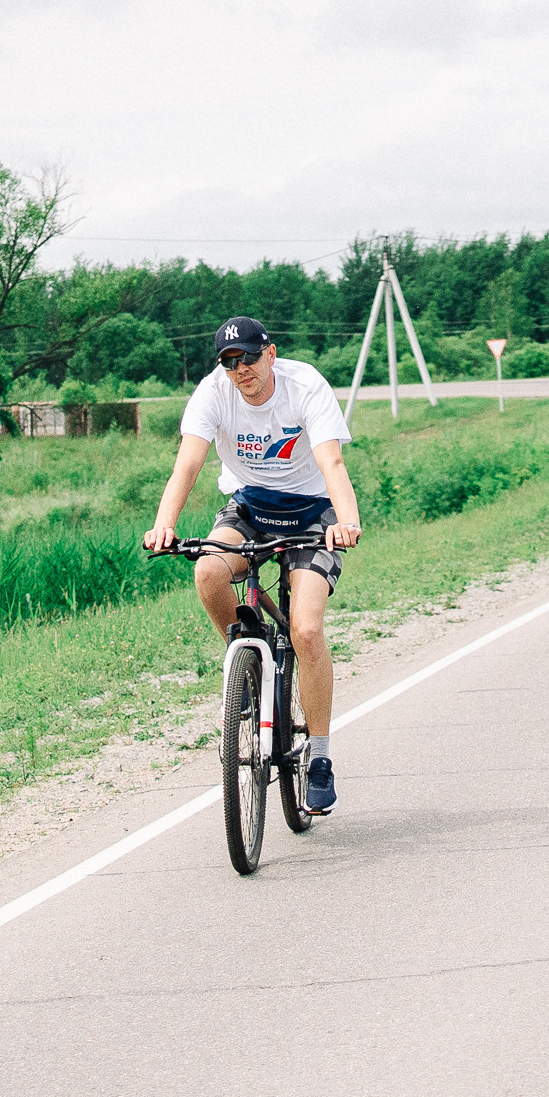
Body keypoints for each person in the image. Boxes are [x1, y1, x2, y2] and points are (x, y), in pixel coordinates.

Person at [147, 317, 365, 814]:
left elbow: (332, 463)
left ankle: (321, 761)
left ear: (269, 353)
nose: (239, 369)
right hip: (250, 507)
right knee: (207, 570)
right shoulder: (213, 393)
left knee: (306, 631)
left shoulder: (304, 384)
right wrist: (165, 524)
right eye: (228, 361)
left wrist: (347, 521)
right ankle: (247, 663)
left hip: (313, 513)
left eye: (247, 357)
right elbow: (189, 462)